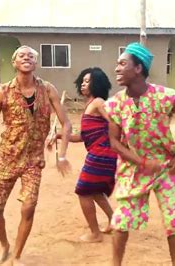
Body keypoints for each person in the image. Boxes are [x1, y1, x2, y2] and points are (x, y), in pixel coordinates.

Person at [0, 45, 72, 265]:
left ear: (36, 63)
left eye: (31, 56)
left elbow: (66, 124)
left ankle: (17, 255)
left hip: (33, 161)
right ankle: (4, 245)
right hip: (7, 158)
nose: (26, 58)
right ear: (14, 63)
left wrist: (61, 155)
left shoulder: (48, 89)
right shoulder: (3, 92)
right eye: (21, 55)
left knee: (29, 207)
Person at [106, 43, 175, 266]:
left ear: (138, 68)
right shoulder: (115, 103)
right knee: (121, 220)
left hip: (166, 168)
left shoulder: (165, 96)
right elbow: (114, 142)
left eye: (122, 64)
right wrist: (143, 162)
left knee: (172, 219)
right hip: (133, 168)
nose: (117, 69)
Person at [56, 67, 117, 242]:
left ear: (96, 84)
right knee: (95, 191)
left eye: (87, 81)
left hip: (103, 153)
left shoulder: (98, 102)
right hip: (101, 153)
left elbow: (116, 120)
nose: (83, 84)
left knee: (83, 191)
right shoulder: (89, 106)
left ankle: (95, 233)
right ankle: (113, 220)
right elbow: (82, 136)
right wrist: (60, 135)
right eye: (82, 81)